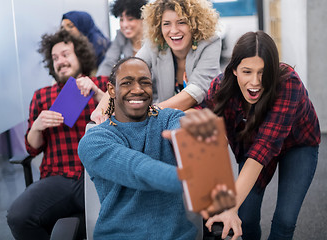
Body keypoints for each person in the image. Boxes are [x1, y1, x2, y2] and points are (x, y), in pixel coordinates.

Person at [77, 56, 241, 240]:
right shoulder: (94, 141)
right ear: (111, 90)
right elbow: (138, 169)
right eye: (127, 82)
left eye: (144, 82)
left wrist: (200, 142)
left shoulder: (168, 118)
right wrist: (195, 179)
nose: (137, 89)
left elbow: (187, 131)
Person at [202, 31, 321, 240]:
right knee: (246, 218)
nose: (255, 81)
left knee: (285, 220)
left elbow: (264, 148)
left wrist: (230, 206)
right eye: (247, 71)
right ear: (235, 70)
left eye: (263, 72)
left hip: (297, 145)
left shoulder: (288, 83)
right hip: (253, 143)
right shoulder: (220, 87)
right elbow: (210, 137)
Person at [6, 29, 108, 240]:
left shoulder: (102, 85)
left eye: (65, 54)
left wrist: (97, 92)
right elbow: (31, 148)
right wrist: (37, 126)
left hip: (97, 174)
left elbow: (123, 119)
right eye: (55, 58)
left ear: (79, 55)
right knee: (18, 217)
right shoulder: (42, 95)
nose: (60, 61)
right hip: (58, 176)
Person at [90, 0, 222, 124]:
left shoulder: (211, 42)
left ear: (194, 24)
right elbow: (127, 71)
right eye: (166, 23)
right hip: (166, 117)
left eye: (181, 22)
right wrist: (102, 109)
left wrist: (151, 111)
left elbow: (196, 91)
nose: (174, 30)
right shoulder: (155, 43)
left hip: (205, 115)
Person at [96, 0, 147, 77]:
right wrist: (97, 82)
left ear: (143, 18)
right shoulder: (121, 36)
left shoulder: (152, 38)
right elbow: (109, 62)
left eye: (130, 19)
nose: (124, 25)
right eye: (121, 20)